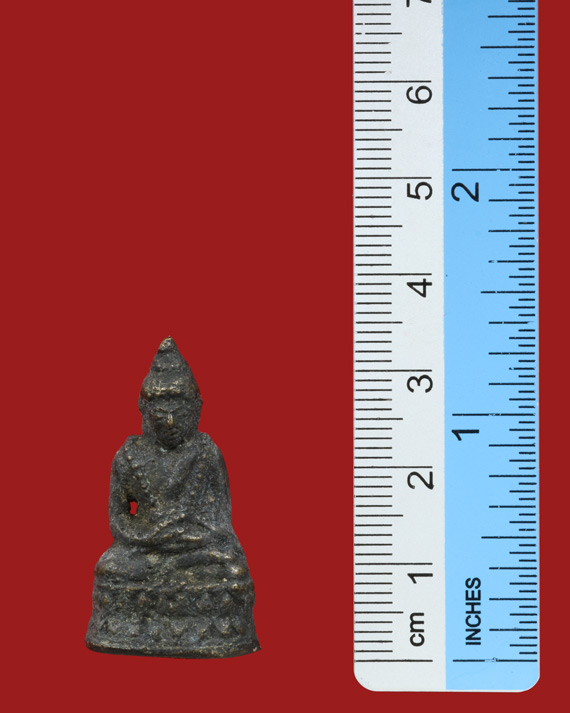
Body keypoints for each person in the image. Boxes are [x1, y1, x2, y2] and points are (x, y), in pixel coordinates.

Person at [86, 337, 259, 657]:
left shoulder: (206, 453)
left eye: (179, 413)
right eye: (160, 412)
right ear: (144, 410)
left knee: (232, 571)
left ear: (196, 410)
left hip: (196, 548)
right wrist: (148, 536)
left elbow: (222, 523)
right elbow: (118, 519)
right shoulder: (128, 455)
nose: (169, 422)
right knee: (109, 569)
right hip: (144, 548)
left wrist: (191, 537)